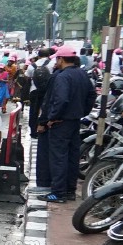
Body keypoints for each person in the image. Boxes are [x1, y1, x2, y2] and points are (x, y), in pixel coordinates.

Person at [38, 46, 96, 203]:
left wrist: (51, 117)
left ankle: (58, 192)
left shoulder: (62, 77)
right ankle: (70, 189)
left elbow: (61, 100)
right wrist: (81, 112)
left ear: (61, 59)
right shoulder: (82, 74)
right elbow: (92, 95)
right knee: (72, 156)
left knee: (58, 157)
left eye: (57, 59)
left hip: (61, 122)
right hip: (74, 120)